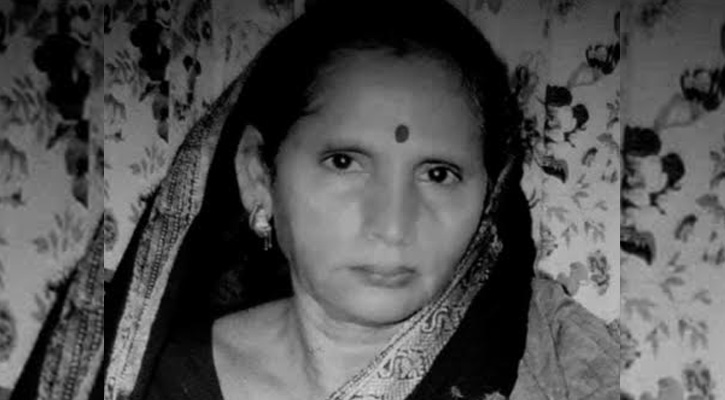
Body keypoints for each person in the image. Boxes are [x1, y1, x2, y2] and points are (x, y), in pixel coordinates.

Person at [103, 0, 619, 399]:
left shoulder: (561, 362)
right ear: (258, 174)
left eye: (438, 174)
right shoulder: (142, 377)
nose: (392, 225)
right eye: (344, 162)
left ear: (490, 193)